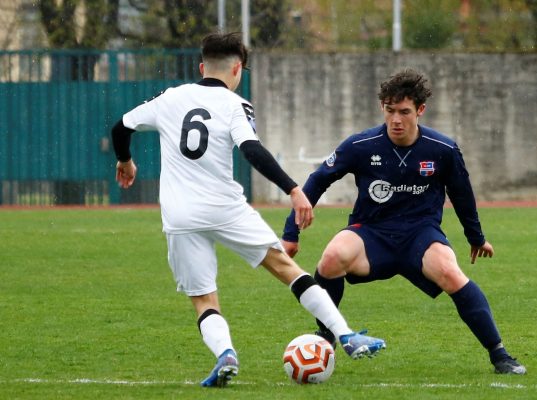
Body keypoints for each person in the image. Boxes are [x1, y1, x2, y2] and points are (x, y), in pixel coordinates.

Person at [110, 32, 385, 388]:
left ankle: (226, 354)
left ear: (201, 65)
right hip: (225, 207)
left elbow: (121, 127)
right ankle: (346, 335)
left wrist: (125, 162)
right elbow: (252, 149)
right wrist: (293, 189)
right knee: (286, 269)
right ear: (238, 69)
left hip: (180, 215)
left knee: (204, 299)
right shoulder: (235, 104)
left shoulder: (170, 98)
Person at [282, 68, 526, 375]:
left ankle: (499, 354)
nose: (396, 119)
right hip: (371, 232)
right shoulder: (361, 145)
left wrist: (476, 238)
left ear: (420, 110)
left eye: (404, 112)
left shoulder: (443, 150)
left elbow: (462, 195)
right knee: (330, 258)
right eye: (390, 110)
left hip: (420, 236)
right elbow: (317, 180)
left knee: (451, 273)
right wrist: (291, 233)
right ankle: (328, 334)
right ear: (382, 107)